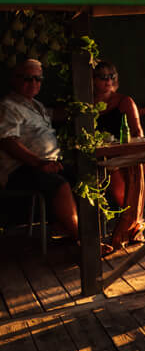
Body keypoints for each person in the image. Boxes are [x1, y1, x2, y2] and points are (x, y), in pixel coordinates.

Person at [0, 57, 78, 238]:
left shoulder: (36, 105)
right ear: (15, 79)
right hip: (20, 170)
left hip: (46, 164)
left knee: (82, 176)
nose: (34, 82)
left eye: (38, 79)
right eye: (28, 78)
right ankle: (81, 240)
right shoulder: (8, 106)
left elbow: (56, 115)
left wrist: (84, 107)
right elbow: (7, 141)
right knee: (60, 184)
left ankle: (63, 226)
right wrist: (38, 163)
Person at [92, 62, 145, 247]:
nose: (108, 81)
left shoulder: (124, 101)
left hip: (122, 155)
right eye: (103, 77)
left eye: (111, 76)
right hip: (94, 156)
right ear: (92, 80)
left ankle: (128, 221)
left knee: (115, 171)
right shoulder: (84, 104)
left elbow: (137, 133)